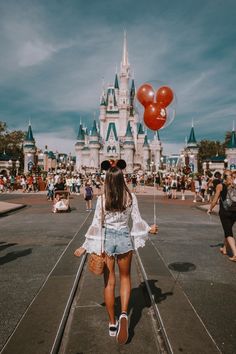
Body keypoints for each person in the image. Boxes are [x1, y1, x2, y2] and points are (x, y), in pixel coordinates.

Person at [74, 162, 157, 344]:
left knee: (109, 283)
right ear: (122, 178)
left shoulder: (102, 199)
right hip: (124, 238)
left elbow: (96, 224)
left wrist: (85, 245)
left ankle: (112, 323)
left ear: (107, 180)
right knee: (126, 278)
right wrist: (149, 229)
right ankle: (125, 314)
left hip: (107, 240)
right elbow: (137, 220)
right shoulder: (130, 197)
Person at [207, 171, 236, 262]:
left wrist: (210, 209)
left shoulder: (220, 186)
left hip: (225, 212)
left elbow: (215, 199)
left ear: (223, 177)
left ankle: (235, 254)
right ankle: (224, 248)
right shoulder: (234, 186)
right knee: (228, 228)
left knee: (228, 232)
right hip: (235, 211)